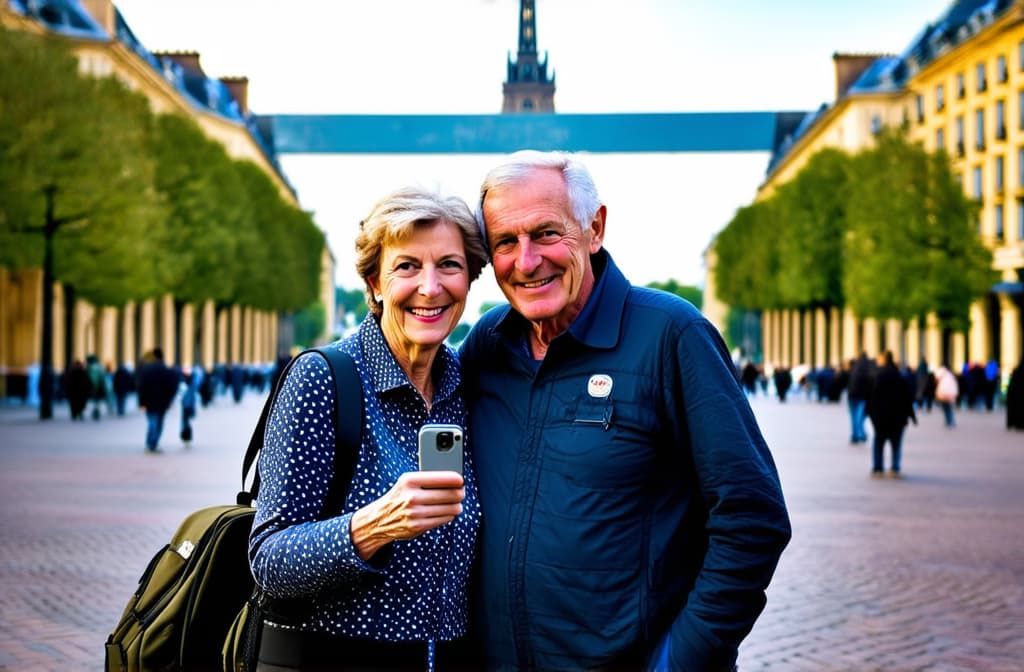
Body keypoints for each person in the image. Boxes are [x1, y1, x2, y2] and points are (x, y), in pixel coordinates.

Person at [460, 150, 792, 671]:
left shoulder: (671, 335)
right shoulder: (488, 345)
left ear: (595, 229)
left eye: (547, 233)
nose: (526, 261)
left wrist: (680, 661)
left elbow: (753, 517)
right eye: (505, 241)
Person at [248, 186, 490, 671]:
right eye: (407, 267)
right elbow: (268, 561)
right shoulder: (326, 378)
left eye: (449, 265)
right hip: (331, 658)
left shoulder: (469, 386)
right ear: (375, 283)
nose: (430, 286)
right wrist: (374, 526)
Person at [867, 351, 917, 478]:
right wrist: (910, 415)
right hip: (897, 417)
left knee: (879, 442)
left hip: (880, 417)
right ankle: (895, 468)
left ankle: (877, 468)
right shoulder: (899, 375)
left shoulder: (877, 375)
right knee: (896, 444)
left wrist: (870, 414)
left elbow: (870, 397)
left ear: (884, 360)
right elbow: (907, 397)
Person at [137, 347, 179, 453]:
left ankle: (151, 443)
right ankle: (153, 443)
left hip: (150, 401)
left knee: (152, 421)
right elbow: (173, 386)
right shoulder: (167, 370)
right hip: (162, 402)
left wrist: (141, 402)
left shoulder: (147, 370)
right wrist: (169, 400)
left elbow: (141, 387)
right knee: (159, 422)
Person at [847, 352, 875, 443]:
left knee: (853, 416)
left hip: (852, 394)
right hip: (862, 395)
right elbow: (871, 381)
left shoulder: (854, 365)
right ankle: (860, 434)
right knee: (860, 416)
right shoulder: (869, 366)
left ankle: (855, 434)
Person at [934, 363, 959, 428]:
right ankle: (951, 421)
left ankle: (948, 421)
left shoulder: (940, 372)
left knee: (946, 408)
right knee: (949, 408)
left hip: (943, 392)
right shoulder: (950, 374)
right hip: (950, 392)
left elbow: (936, 379)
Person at [1006, 360, 1024, 430]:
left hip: (1017, 395)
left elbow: (1012, 386)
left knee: (1017, 409)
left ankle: (1016, 423)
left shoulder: (1016, 371)